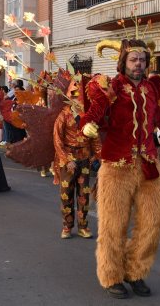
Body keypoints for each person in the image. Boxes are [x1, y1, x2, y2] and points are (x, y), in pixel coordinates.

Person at [81, 38, 160, 298]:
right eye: (133, 59)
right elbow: (95, 112)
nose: (138, 64)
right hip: (116, 166)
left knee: (152, 223)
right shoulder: (111, 87)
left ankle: (135, 272)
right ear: (124, 61)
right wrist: (86, 124)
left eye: (142, 60)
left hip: (149, 166)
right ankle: (111, 276)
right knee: (114, 225)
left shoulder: (153, 88)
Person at [53, 82, 101, 239]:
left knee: (83, 194)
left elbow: (95, 137)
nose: (79, 100)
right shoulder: (63, 116)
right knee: (66, 194)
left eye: (81, 97)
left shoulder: (88, 116)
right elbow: (57, 140)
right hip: (68, 160)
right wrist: (67, 160)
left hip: (84, 159)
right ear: (70, 98)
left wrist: (98, 155)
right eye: (76, 97)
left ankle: (83, 226)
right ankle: (67, 226)